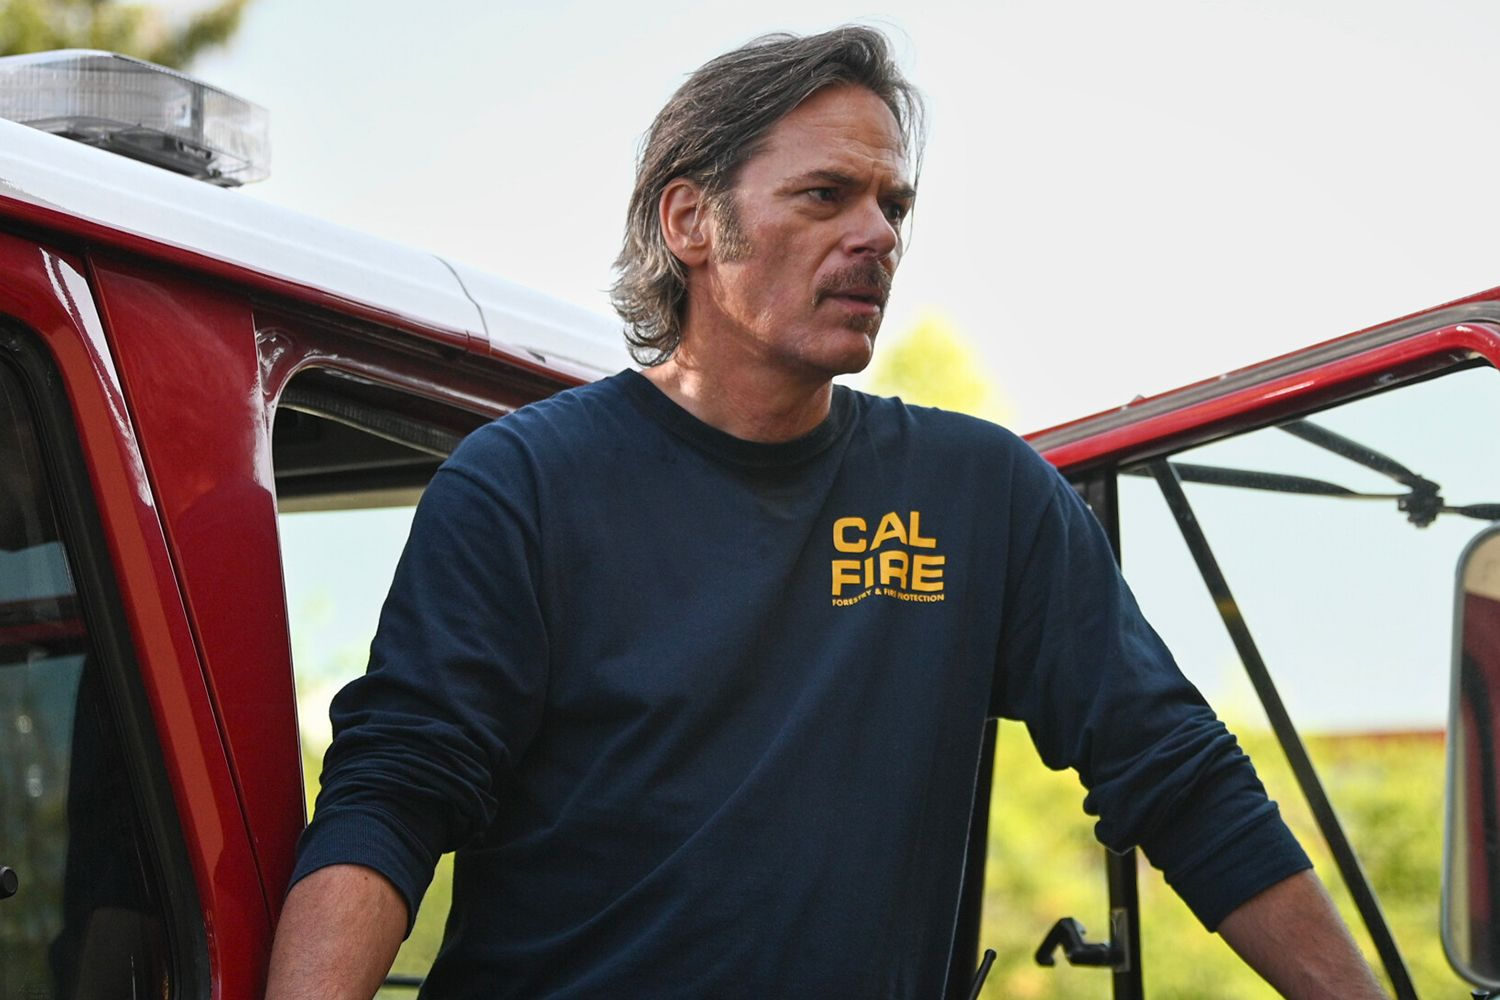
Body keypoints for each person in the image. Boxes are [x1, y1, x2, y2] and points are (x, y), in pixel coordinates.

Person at [265, 26, 1389, 1000]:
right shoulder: (522, 485)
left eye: (892, 204)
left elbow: (1181, 777)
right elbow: (396, 791)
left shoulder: (982, 496)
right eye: (825, 195)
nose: (879, 234)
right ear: (692, 220)